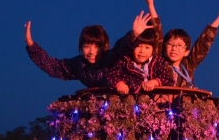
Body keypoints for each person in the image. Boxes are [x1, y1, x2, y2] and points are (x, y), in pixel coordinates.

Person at [24, 11, 153, 88]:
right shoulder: (79, 64)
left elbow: (121, 47)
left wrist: (134, 35)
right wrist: (31, 45)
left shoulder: (110, 58)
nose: (91, 51)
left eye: (97, 46)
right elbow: (53, 66)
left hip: (120, 105)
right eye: (87, 46)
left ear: (105, 47)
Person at [142, 0, 219, 88]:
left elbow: (203, 44)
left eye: (179, 46)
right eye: (170, 44)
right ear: (164, 47)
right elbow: (157, 33)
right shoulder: (158, 62)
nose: (174, 49)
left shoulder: (188, 65)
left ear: (186, 51)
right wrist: (150, 4)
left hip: (183, 102)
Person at [106, 27, 174, 95]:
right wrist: (119, 84)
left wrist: (155, 82)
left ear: (153, 50)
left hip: (152, 100)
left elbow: (168, 79)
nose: (142, 51)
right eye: (138, 46)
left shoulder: (158, 62)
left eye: (147, 48)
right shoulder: (124, 61)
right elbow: (111, 75)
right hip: (127, 97)